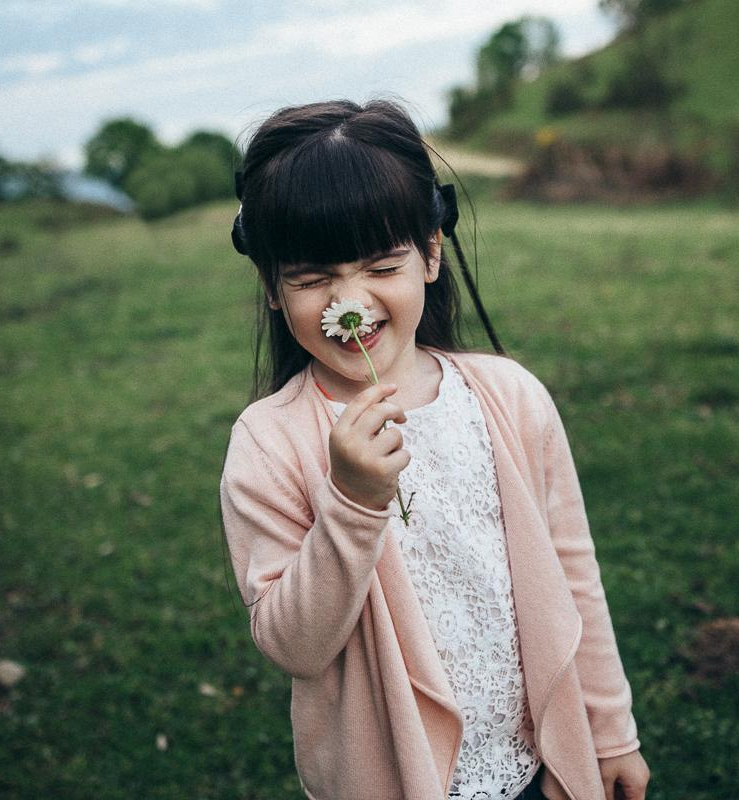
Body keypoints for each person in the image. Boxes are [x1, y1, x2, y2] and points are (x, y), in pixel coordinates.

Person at [219, 99, 650, 800]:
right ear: (271, 287)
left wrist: (610, 732)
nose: (349, 302)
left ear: (430, 253)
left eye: (380, 264)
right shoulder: (269, 445)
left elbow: (574, 573)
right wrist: (354, 503)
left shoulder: (509, 396)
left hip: (539, 763)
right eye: (312, 279)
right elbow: (293, 645)